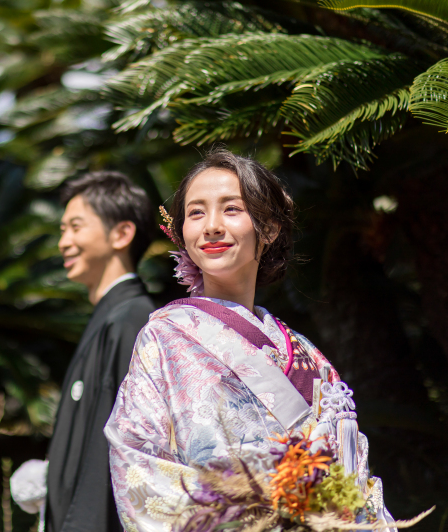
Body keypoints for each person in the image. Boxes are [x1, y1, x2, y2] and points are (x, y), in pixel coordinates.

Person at [104, 149, 396, 532]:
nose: (211, 226)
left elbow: (350, 468)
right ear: (182, 233)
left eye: (231, 209)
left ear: (269, 228)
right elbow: (135, 459)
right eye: (195, 213)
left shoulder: (307, 353)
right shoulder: (163, 338)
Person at [37, 171, 157, 532]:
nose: (64, 242)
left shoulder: (131, 319)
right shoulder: (113, 317)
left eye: (75, 227)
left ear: (121, 233)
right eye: (62, 230)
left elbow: (121, 450)